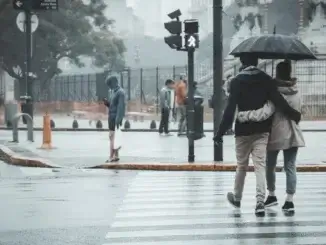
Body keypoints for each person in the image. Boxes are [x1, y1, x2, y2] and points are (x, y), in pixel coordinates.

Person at [213, 55, 301, 215]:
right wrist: (293, 113)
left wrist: (219, 133)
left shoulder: (236, 81)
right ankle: (260, 202)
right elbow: (278, 100)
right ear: (257, 62)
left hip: (242, 130)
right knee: (260, 166)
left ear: (242, 62)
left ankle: (237, 198)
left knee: (242, 166)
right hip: (262, 130)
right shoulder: (266, 79)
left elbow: (230, 109)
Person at [237, 61, 305, 212]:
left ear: (278, 73)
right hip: (294, 134)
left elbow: (266, 112)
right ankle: (289, 200)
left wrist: (244, 115)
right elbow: (300, 110)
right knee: (290, 167)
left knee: (269, 166)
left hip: (276, 133)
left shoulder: (274, 92)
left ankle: (272, 195)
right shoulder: (296, 90)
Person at [103, 75, 125, 162]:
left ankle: (111, 156)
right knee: (114, 137)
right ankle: (116, 155)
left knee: (112, 137)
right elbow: (113, 106)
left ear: (114, 82)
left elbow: (121, 107)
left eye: (109, 84)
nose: (109, 86)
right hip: (111, 116)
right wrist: (107, 103)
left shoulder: (120, 92)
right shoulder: (113, 92)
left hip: (115, 117)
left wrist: (118, 119)